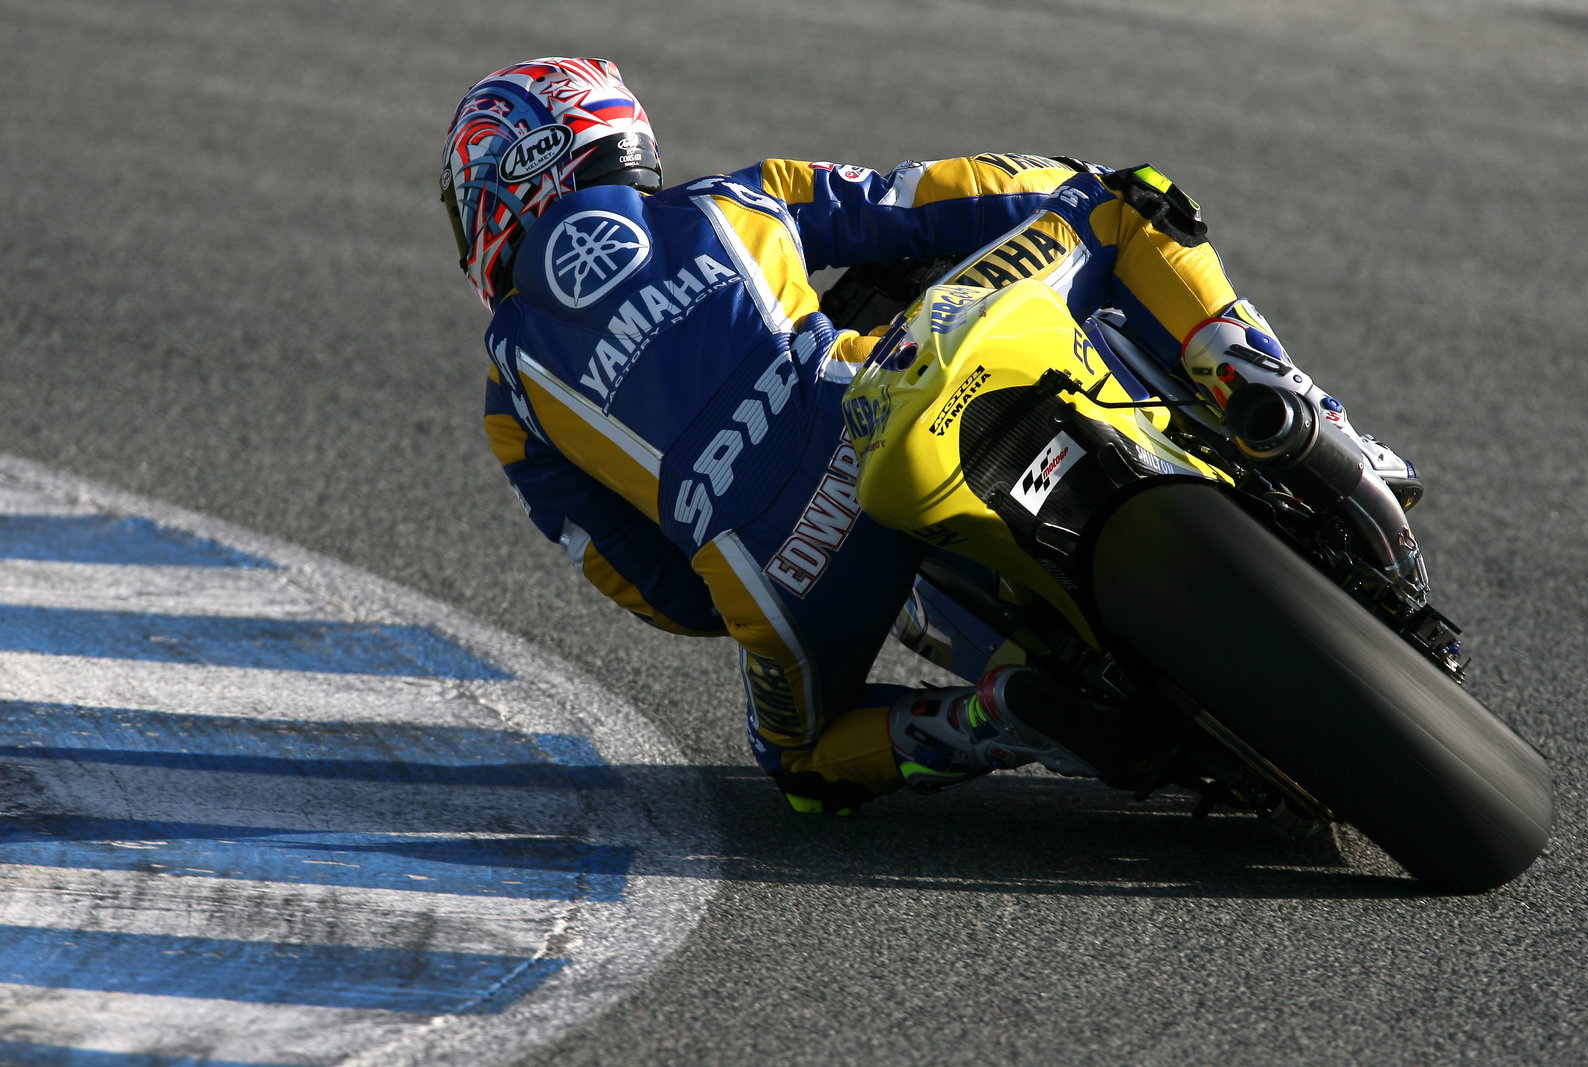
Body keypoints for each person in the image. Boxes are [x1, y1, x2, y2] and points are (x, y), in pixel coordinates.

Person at [439, 57, 1418, 815]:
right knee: (1122, 203)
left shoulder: (510, 401)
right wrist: (1062, 193)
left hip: (773, 580)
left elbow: (658, 593)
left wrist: (738, 545)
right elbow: (918, 201)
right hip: (871, 403)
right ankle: (1279, 402)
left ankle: (989, 720)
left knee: (800, 768)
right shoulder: (733, 200)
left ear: (506, 180)